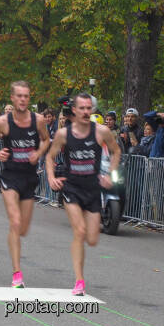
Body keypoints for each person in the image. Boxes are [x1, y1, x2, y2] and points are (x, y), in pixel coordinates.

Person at [47, 94, 120, 294]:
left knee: (93, 238)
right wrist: (51, 177)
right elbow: (50, 156)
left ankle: (80, 273)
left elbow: (116, 151)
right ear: (75, 110)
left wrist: (111, 175)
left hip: (93, 189)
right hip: (72, 188)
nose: (86, 112)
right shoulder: (64, 134)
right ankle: (79, 281)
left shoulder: (101, 132)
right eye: (82, 108)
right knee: (79, 231)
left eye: (89, 108)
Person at [0, 80, 50, 287]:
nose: (22, 99)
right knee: (14, 222)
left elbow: (47, 140)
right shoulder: (2, 122)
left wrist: (38, 153)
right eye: (19, 96)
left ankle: (16, 258)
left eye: (26, 96)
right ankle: (17, 273)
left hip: (29, 178)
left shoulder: (38, 120)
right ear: (12, 98)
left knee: (22, 229)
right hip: (10, 176)